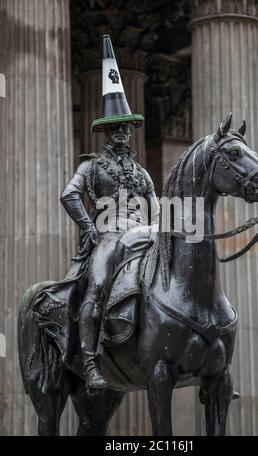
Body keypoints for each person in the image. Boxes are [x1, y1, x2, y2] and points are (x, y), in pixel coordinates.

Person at [60, 35, 159, 392]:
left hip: (144, 236)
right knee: (98, 288)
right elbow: (69, 195)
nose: (122, 133)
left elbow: (158, 209)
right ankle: (89, 362)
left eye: (126, 128)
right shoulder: (92, 166)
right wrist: (88, 228)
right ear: (104, 131)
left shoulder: (142, 173)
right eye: (115, 128)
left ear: (133, 130)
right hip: (109, 236)